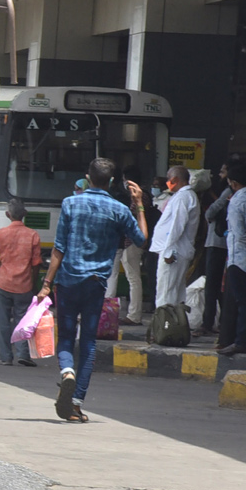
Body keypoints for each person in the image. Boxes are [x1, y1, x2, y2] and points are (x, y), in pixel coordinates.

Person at [37, 158, 148, 422]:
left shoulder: (70, 203)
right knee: (87, 343)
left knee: (65, 337)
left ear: (88, 178)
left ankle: (67, 372)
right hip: (96, 283)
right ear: (110, 182)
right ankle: (75, 404)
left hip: (67, 281)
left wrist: (46, 284)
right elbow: (142, 240)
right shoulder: (119, 209)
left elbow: (59, 248)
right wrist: (140, 205)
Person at [0, 198, 41, 366]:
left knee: (3, 323)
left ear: (8, 215)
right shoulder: (32, 235)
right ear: (24, 215)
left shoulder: (0, 233)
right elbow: (36, 264)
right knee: (22, 321)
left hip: (2, 284)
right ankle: (23, 353)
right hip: (24, 286)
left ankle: (5, 357)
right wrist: (33, 284)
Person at [148, 165, 200, 309]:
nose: (167, 183)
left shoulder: (183, 197)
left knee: (166, 294)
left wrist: (169, 250)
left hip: (173, 253)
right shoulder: (184, 196)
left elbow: (177, 226)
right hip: (177, 251)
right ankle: (171, 327)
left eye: (169, 179)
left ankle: (165, 327)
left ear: (176, 179)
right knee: (173, 293)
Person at [216, 161, 246, 357]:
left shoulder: (237, 202)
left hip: (240, 259)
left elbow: (239, 236)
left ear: (233, 182)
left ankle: (241, 341)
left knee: (244, 303)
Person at [200, 157, 239, 337]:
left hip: (217, 242)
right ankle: (222, 322)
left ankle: (208, 323)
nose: (219, 175)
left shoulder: (228, 191)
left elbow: (212, 211)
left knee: (213, 285)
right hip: (228, 243)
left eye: (223, 172)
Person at [107, 167, 147, 327]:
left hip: (131, 243)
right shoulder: (128, 197)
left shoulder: (139, 197)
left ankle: (133, 314)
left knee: (129, 278)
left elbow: (135, 225)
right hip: (127, 243)